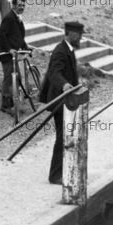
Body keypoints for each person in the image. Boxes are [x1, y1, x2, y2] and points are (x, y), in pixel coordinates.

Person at [38, 21, 84, 184]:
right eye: (78, 35)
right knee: (62, 137)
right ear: (70, 34)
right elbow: (54, 73)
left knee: (67, 135)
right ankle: (55, 175)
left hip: (67, 100)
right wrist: (64, 84)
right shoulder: (60, 51)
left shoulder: (68, 49)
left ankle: (64, 170)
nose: (80, 37)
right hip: (59, 101)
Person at [0, 0, 29, 114]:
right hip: (6, 53)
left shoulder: (18, 18)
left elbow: (18, 35)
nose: (21, 7)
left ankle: (14, 103)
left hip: (13, 54)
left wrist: (25, 47)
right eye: (19, 5)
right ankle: (5, 106)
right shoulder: (9, 18)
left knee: (17, 77)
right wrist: (9, 49)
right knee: (9, 79)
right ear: (13, 6)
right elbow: (0, 36)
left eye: (23, 5)